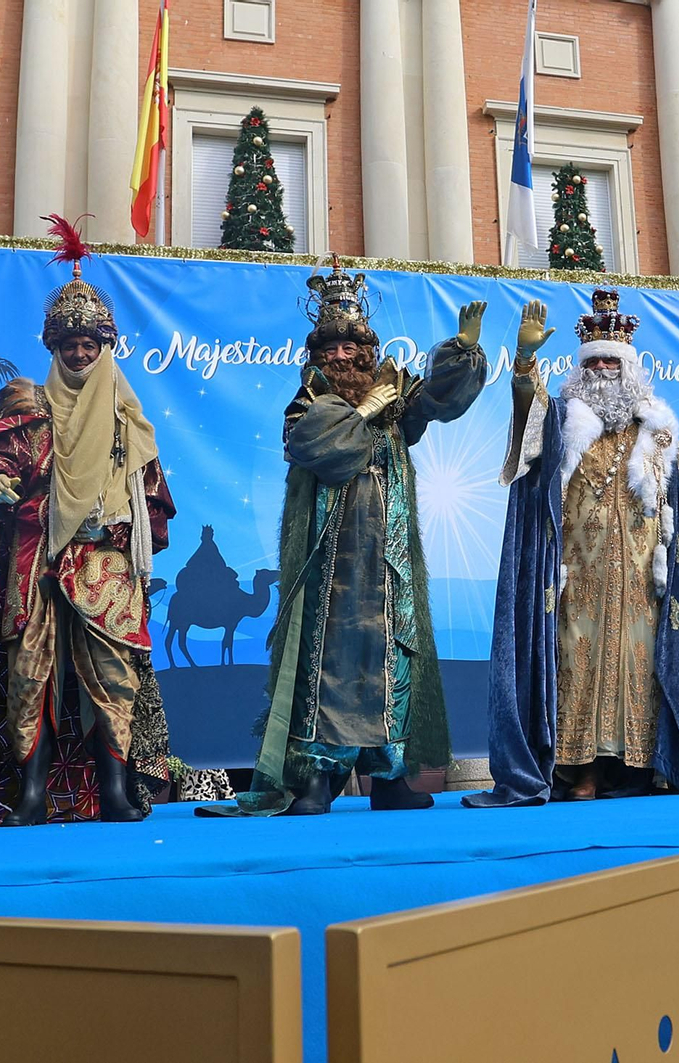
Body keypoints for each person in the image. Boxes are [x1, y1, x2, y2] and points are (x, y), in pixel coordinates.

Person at [0, 215, 175, 829]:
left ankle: (113, 791)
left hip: (106, 565)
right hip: (37, 562)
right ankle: (29, 794)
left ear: (106, 348)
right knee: (30, 676)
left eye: (89, 344)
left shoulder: (130, 421)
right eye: (68, 345)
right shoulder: (31, 409)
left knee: (114, 677)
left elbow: (154, 502)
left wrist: (122, 528)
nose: (79, 353)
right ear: (53, 349)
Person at [203, 259, 486, 817]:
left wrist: (461, 352)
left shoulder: (396, 398)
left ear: (367, 352)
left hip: (389, 560)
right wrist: (374, 405)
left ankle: (389, 776)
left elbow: (439, 401)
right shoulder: (307, 404)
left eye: (349, 347)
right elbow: (323, 447)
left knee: (392, 655)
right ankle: (315, 776)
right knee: (326, 659)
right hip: (330, 562)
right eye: (329, 348)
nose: (339, 356)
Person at [465, 290, 679, 807]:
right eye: (594, 361)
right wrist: (524, 363)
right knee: (576, 666)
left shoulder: (657, 429)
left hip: (642, 583)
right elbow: (528, 421)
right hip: (576, 577)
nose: (603, 369)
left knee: (643, 670)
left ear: (629, 368)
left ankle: (653, 766)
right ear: (581, 369)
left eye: (612, 361)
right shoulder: (564, 420)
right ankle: (580, 771)